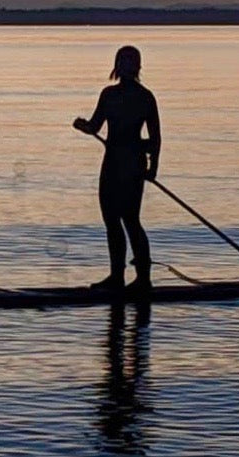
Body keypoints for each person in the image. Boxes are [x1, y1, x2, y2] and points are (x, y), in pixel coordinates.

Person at [73, 45, 161, 293]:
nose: (127, 66)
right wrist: (83, 126)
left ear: (137, 67)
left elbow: (155, 138)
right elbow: (95, 126)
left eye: (130, 61)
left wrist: (153, 167)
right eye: (123, 61)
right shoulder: (108, 95)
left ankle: (143, 278)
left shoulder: (146, 97)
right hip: (112, 163)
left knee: (130, 220)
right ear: (117, 65)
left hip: (131, 165)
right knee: (112, 220)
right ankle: (117, 276)